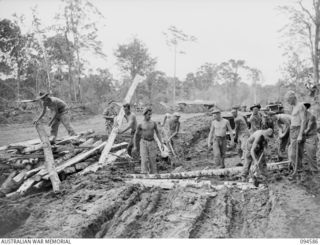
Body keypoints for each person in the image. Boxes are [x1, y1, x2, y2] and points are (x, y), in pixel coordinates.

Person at [133, 107, 164, 174]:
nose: (150, 116)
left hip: (152, 142)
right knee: (144, 160)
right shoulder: (140, 124)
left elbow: (157, 132)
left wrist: (161, 143)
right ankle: (144, 173)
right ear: (144, 114)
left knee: (152, 159)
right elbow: (136, 135)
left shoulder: (153, 123)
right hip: (143, 142)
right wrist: (135, 146)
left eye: (150, 114)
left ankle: (153, 174)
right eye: (148, 114)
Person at [285, 91, 307, 178]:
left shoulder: (300, 106)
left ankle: (298, 171)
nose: (288, 102)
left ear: (293, 98)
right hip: (293, 130)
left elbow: (303, 121)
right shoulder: (294, 107)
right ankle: (297, 171)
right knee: (293, 151)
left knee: (294, 154)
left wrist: (300, 134)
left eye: (288, 100)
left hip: (298, 130)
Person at [302, 102, 319, 175]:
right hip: (305, 138)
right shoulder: (302, 116)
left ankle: (315, 172)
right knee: (304, 155)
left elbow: (308, 129)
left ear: (306, 108)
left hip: (311, 137)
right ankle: (308, 170)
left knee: (312, 156)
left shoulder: (311, 116)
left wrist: (300, 134)